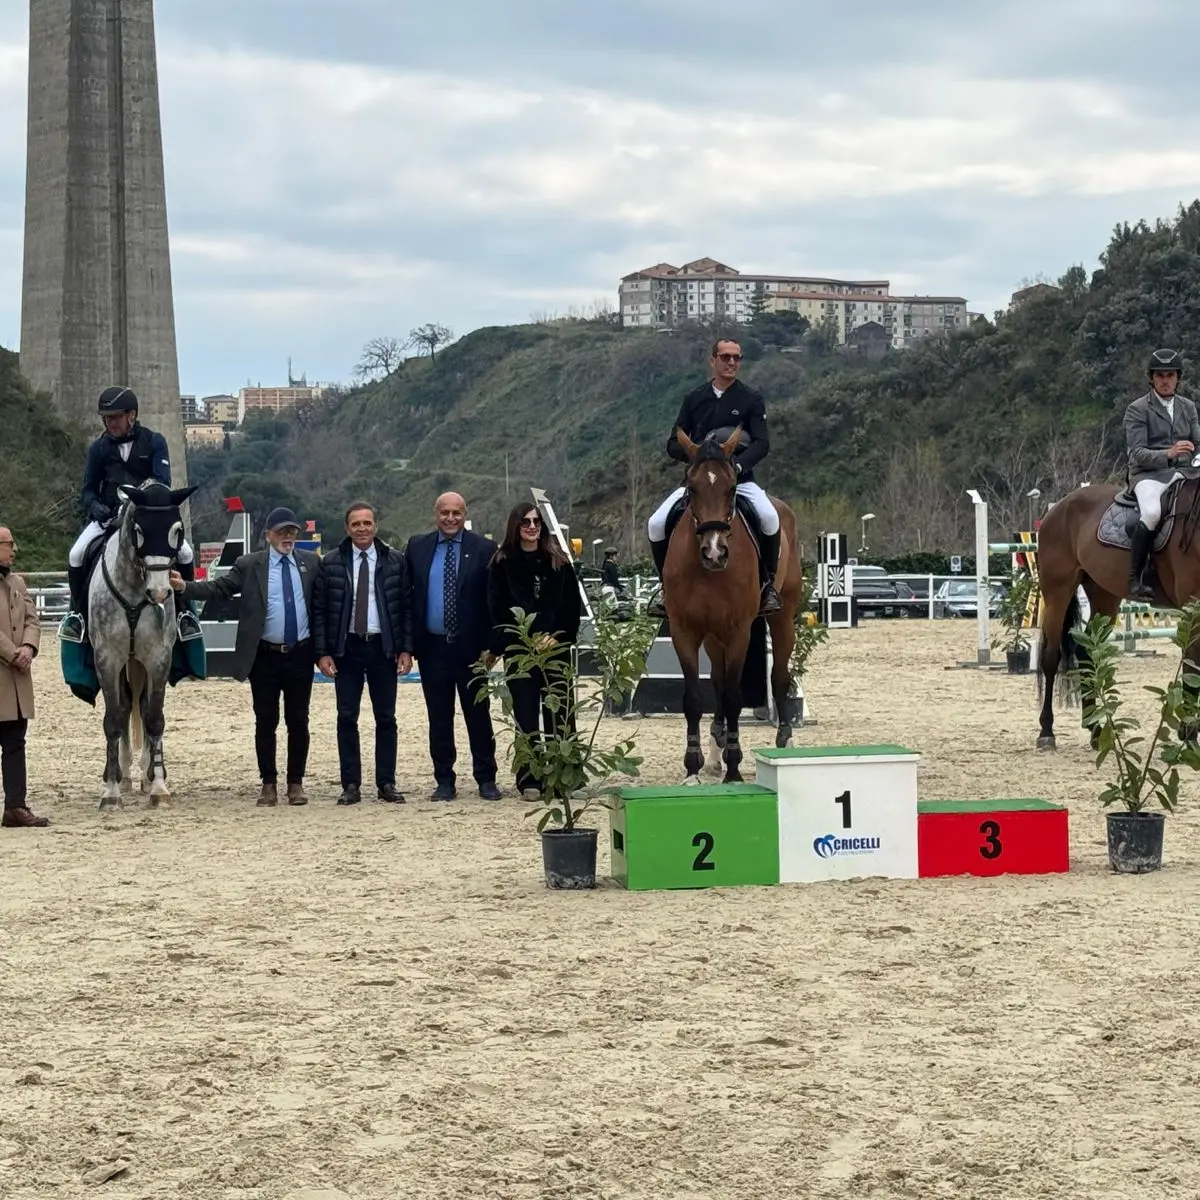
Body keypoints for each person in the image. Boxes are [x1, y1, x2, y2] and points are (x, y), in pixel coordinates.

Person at [171, 507, 319, 805]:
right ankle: (268, 782)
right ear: (268, 535)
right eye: (281, 532)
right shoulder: (250, 565)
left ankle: (296, 783)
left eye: (292, 532)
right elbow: (219, 588)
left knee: (299, 720)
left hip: (301, 654)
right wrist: (185, 587)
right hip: (264, 656)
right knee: (265, 720)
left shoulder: (311, 563)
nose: (287, 537)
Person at [644, 338, 781, 619]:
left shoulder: (751, 398)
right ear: (713, 361)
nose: (731, 362)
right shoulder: (694, 399)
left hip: (739, 480)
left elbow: (761, 443)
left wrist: (737, 467)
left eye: (736, 358)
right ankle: (666, 589)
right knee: (656, 524)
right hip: (699, 484)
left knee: (770, 518)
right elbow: (673, 443)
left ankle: (767, 586)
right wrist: (696, 456)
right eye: (725, 357)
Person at [59, 385, 202, 646]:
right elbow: (88, 489)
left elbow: (162, 482)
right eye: (107, 418)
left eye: (116, 417)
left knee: (185, 554)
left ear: (131, 415)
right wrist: (94, 506)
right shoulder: (98, 448)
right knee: (76, 554)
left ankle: (184, 613)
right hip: (108, 517)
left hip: (146, 520)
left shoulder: (154, 441)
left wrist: (138, 502)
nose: (111, 423)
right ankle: (77, 615)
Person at [313, 501, 413, 806]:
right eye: (356, 524)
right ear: (347, 528)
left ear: (375, 526)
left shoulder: (395, 561)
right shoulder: (330, 562)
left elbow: (406, 608)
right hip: (347, 648)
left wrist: (406, 649)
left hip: (383, 648)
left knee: (386, 717)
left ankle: (386, 782)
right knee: (346, 717)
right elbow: (319, 610)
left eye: (367, 523)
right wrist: (322, 652)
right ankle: (351, 784)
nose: (362, 528)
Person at [405, 492, 502, 801]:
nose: (450, 518)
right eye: (445, 512)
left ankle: (486, 778)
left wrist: (493, 647)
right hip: (432, 649)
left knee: (478, 716)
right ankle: (444, 780)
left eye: (456, 513)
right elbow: (409, 598)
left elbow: (494, 601)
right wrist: (408, 645)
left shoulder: (484, 549)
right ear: (436, 514)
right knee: (439, 718)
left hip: (472, 650)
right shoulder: (417, 547)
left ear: (465, 514)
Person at [487, 502, 583, 796]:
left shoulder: (559, 561)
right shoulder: (501, 563)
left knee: (561, 713)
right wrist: (513, 642)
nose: (532, 527)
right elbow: (496, 609)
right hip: (520, 651)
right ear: (515, 526)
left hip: (555, 650)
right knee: (526, 715)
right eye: (526, 522)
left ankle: (565, 776)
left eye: (536, 522)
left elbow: (572, 607)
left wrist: (558, 636)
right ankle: (529, 779)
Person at [1124, 348, 1200, 600]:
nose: (1165, 380)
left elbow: (1197, 442)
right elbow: (1137, 453)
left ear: (1178, 377)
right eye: (1160, 375)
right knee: (1152, 512)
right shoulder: (1137, 409)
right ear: (1151, 378)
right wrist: (1170, 452)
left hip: (1184, 472)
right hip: (1148, 475)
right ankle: (1136, 577)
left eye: (1170, 375)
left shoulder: (1188, 407)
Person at [0, 526, 49, 828]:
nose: (14, 549)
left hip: (16, 680)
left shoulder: (18, 582)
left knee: (15, 743)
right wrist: (12, 653)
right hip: (6, 669)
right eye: (9, 544)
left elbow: (32, 619)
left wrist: (29, 647)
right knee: (79, 556)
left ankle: (15, 805)